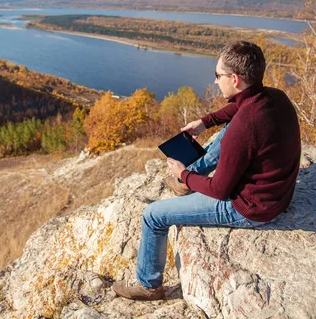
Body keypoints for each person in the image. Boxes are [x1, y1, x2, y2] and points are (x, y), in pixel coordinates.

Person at [112, 41, 301, 300]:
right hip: (279, 194)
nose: (215, 82)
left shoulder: (245, 127)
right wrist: (205, 122)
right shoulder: (274, 97)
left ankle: (149, 286)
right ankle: (186, 183)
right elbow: (238, 108)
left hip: (251, 208)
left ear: (234, 79)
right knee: (227, 130)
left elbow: (220, 190)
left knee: (153, 215)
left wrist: (184, 174)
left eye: (218, 76)